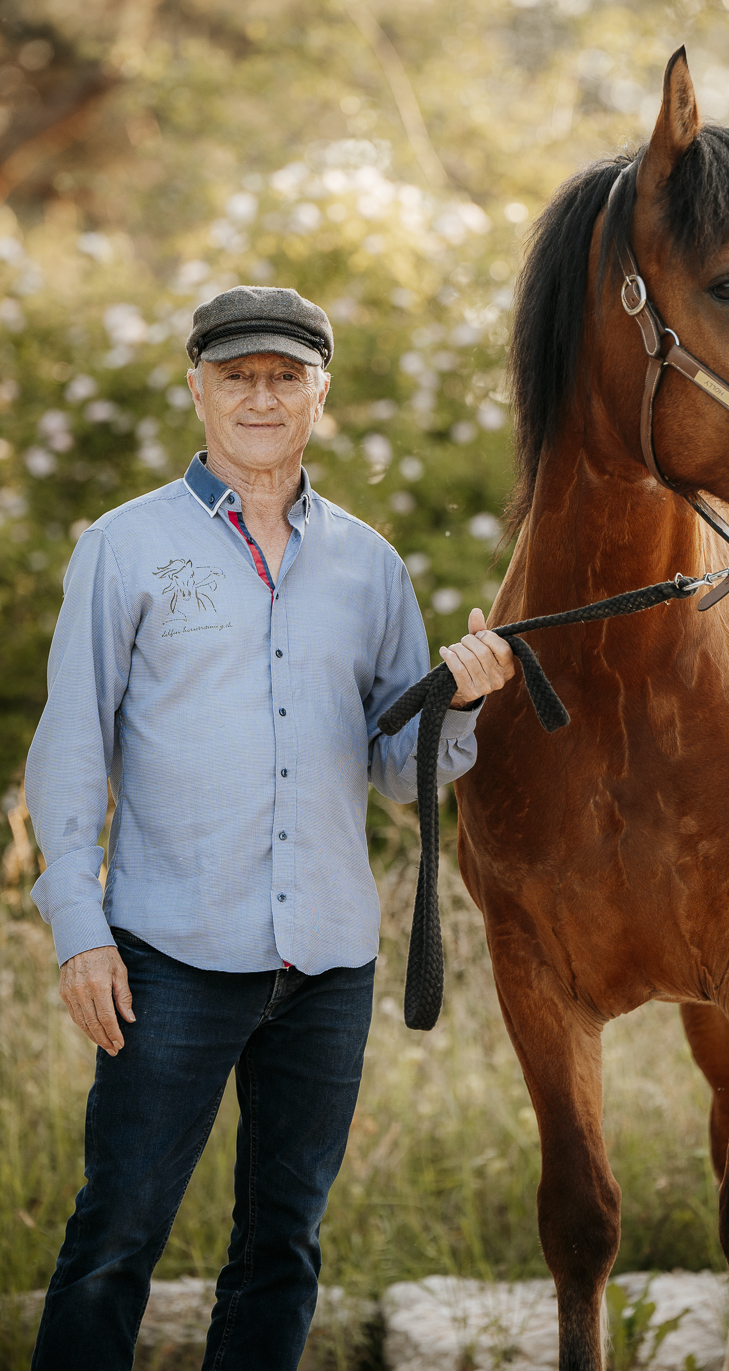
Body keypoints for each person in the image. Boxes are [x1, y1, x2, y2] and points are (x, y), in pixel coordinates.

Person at [24, 284, 515, 1371]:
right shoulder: (124, 547)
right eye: (237, 374)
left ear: (319, 395)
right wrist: (78, 925)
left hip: (328, 963)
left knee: (284, 1246)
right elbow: (69, 744)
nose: (261, 395)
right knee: (115, 1239)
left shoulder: (372, 567)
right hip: (168, 957)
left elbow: (394, 773)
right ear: (196, 387)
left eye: (284, 376)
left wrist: (465, 701)